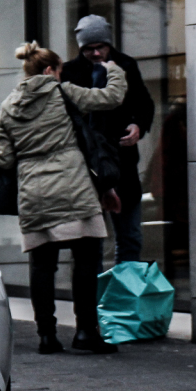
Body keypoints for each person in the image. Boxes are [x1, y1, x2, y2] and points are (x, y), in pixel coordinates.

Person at [0, 41, 127, 355]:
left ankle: (46, 336)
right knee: (86, 261)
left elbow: (5, 159)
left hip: (33, 193)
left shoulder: (8, 106)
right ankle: (85, 332)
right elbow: (112, 97)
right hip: (74, 188)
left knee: (42, 266)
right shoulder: (63, 92)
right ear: (50, 70)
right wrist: (114, 71)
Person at [61, 14, 155, 264]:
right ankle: (95, 298)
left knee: (130, 237)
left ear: (108, 44)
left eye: (100, 47)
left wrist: (138, 125)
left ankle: (123, 295)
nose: (95, 53)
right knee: (89, 243)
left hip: (122, 161)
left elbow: (144, 104)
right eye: (88, 48)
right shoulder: (69, 72)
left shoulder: (125, 65)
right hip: (85, 167)